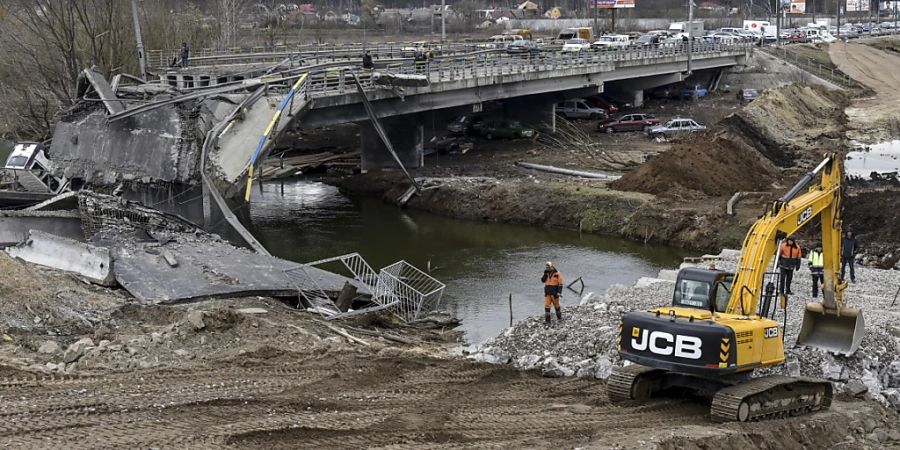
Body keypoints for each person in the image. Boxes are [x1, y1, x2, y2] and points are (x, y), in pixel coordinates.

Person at [541, 261, 564, 326]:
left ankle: (559, 319)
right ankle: (548, 321)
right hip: (547, 293)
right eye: (546, 267)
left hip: (555, 294)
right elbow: (542, 280)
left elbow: (560, 284)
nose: (547, 268)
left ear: (552, 267)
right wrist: (545, 274)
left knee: (557, 307)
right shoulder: (546, 273)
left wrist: (559, 292)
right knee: (547, 307)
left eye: (548, 267)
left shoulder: (557, 274)